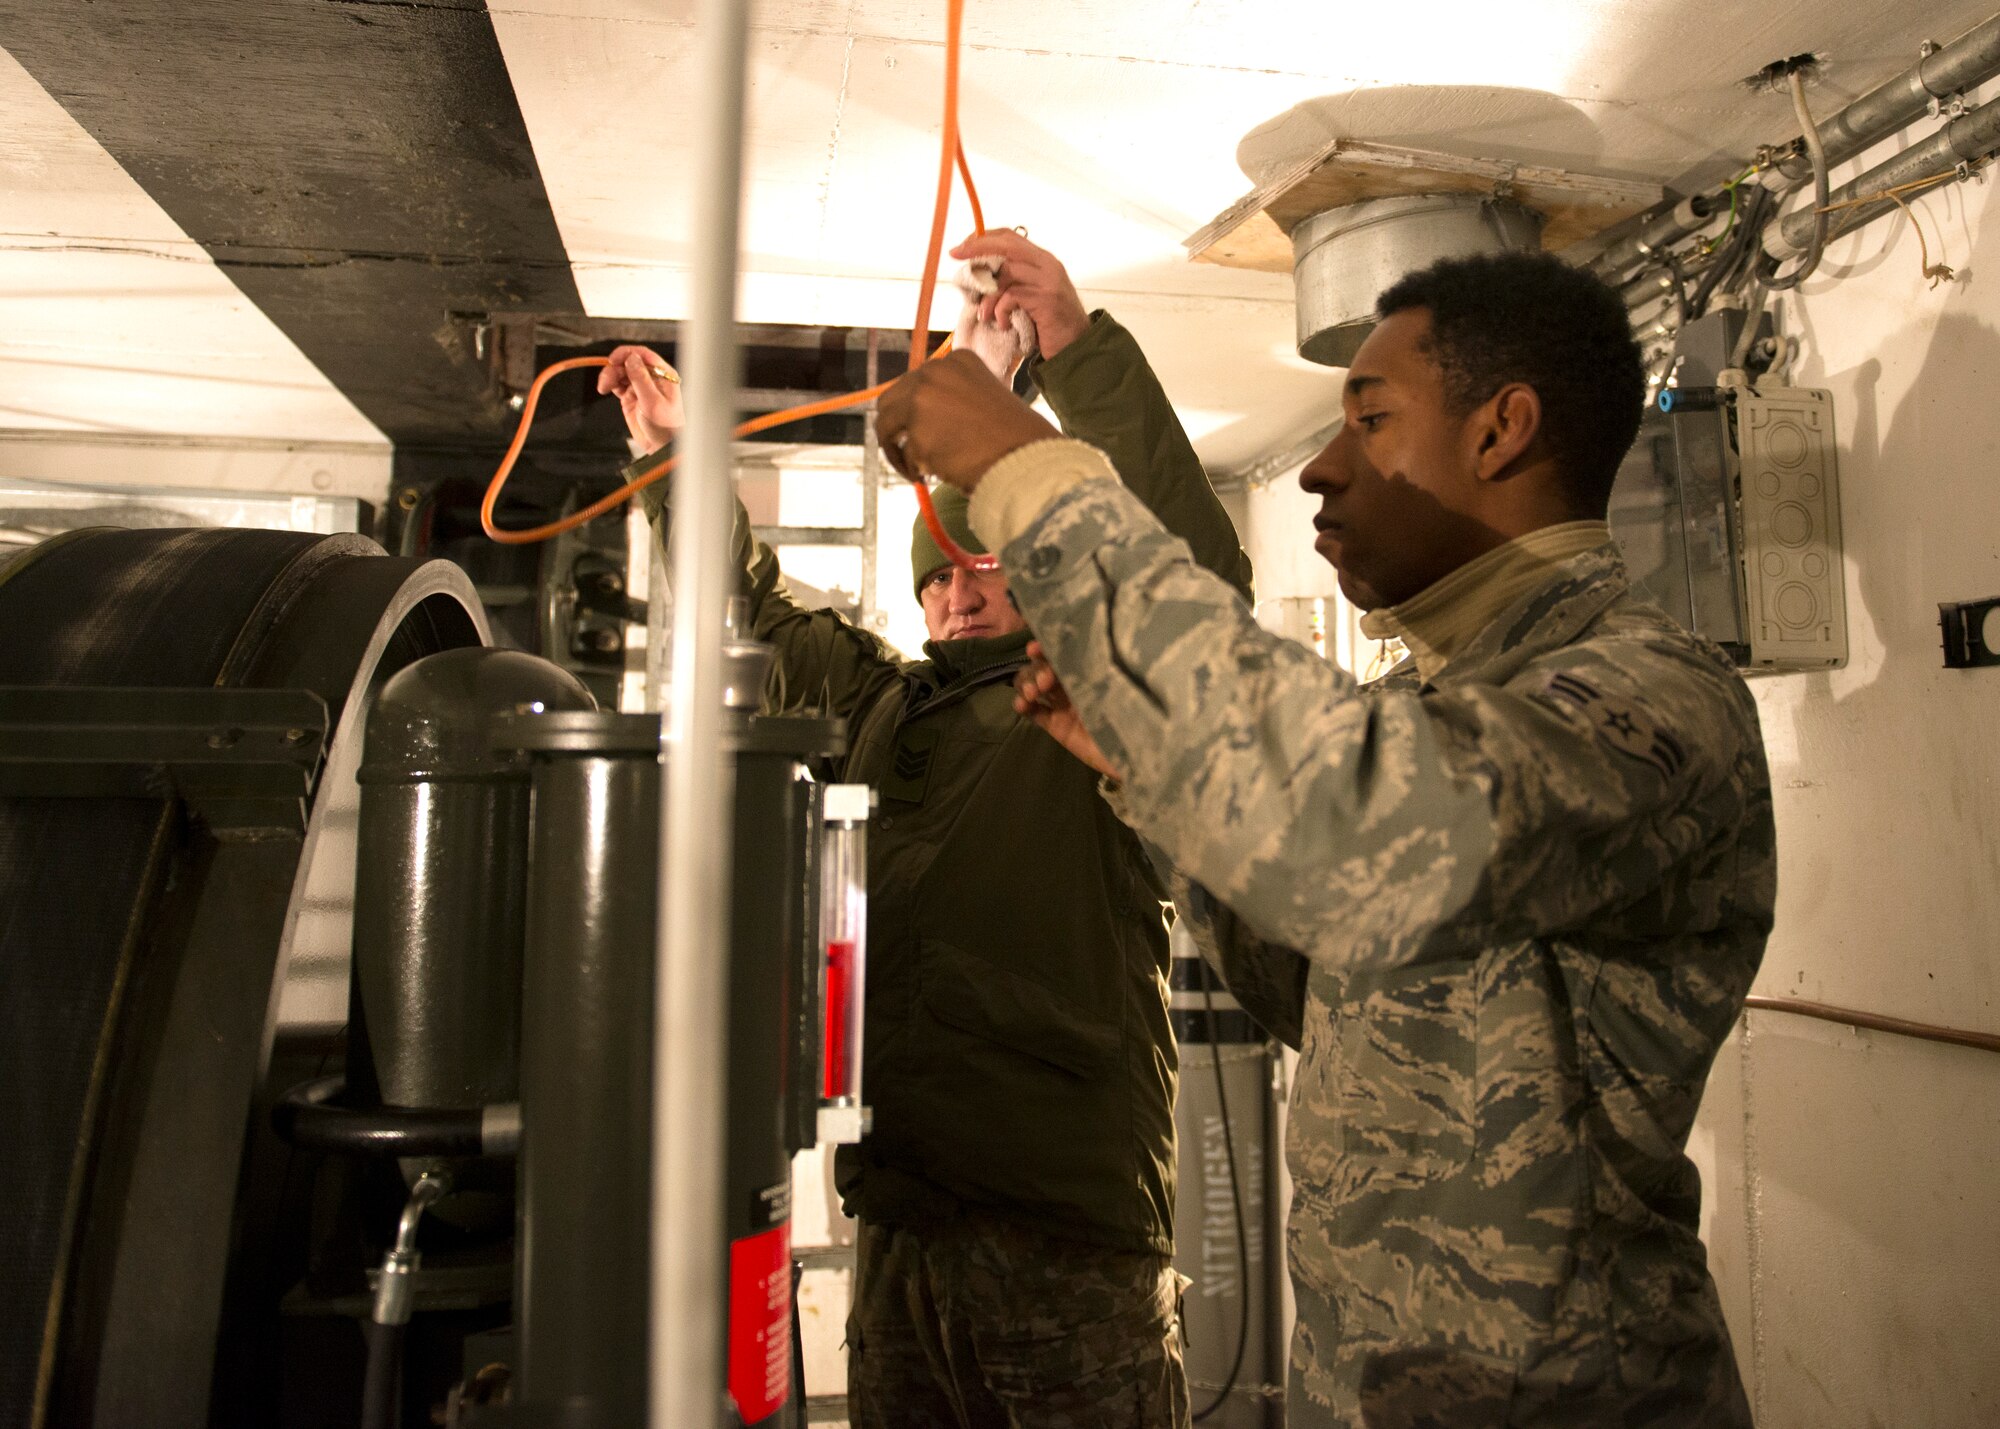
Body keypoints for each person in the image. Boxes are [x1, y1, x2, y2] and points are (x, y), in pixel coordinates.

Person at [875, 250, 1774, 1428]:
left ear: (1501, 430)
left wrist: (1030, 473)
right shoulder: (1429, 697)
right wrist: (1151, 774)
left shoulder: (1653, 693)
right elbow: (1311, 978)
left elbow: (1362, 830)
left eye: (1371, 418)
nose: (1318, 464)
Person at [597, 230, 1252, 1429]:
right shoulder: (879, 702)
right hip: (898, 1226)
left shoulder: (1085, 709)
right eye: (937, 575)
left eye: (985, 565)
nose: (956, 592)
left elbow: (1188, 582)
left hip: (1066, 1243)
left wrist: (1074, 349)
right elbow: (745, 599)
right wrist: (669, 455)